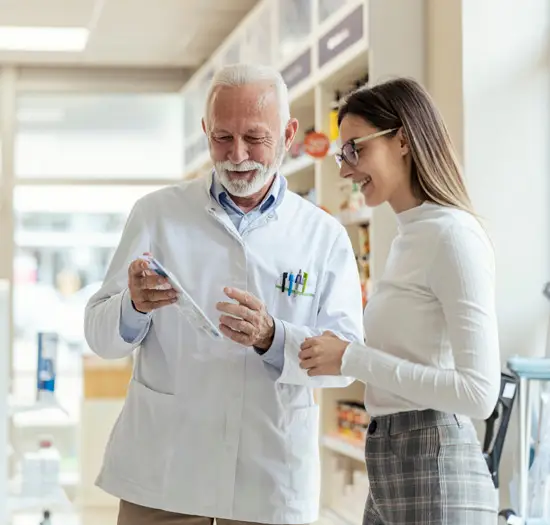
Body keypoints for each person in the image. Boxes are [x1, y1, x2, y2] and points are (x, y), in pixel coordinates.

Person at [84, 63, 364, 525]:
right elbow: (100, 337)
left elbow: (345, 361)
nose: (237, 155)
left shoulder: (323, 236)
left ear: (288, 133)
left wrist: (274, 337)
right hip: (164, 474)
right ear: (205, 132)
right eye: (222, 137)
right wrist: (131, 306)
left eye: (255, 138)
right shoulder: (157, 214)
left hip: (269, 478)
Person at [299, 77, 501, 524]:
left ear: (403, 139)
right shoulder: (411, 235)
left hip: (435, 466)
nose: (345, 169)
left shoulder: (453, 237)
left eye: (355, 149)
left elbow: (478, 393)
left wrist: (353, 358)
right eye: (341, 154)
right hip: (392, 460)